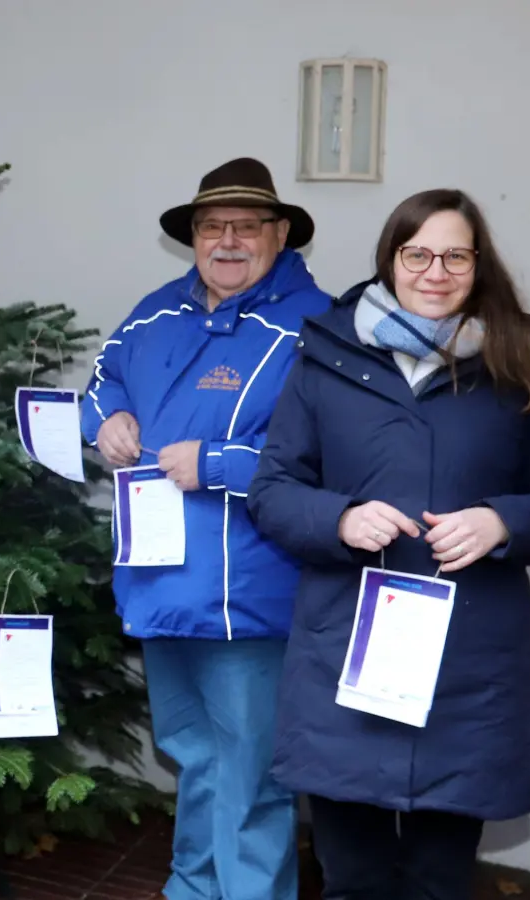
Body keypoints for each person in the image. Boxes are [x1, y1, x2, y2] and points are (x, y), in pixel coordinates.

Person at [247, 188, 530, 899]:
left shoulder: (519, 360)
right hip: (348, 653)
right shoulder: (326, 354)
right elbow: (274, 489)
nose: (435, 271)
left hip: (467, 664)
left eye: (455, 255)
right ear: (390, 260)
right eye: (417, 254)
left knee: (440, 880)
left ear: (478, 264)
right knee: (351, 877)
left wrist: (502, 523)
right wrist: (339, 520)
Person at [80, 157, 332, 900]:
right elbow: (100, 384)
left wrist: (219, 463)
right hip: (159, 580)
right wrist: (109, 421)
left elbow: (331, 461)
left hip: (252, 594)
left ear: (280, 235)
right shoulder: (155, 310)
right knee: (193, 756)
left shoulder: (317, 326)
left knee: (250, 776)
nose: (226, 241)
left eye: (245, 226)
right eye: (210, 226)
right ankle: (189, 890)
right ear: (192, 236)